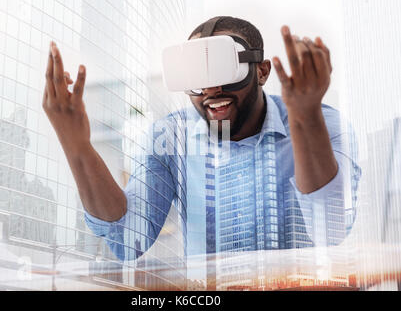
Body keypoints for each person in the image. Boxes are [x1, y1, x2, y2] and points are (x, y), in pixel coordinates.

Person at [43, 16, 361, 261]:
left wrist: (306, 119)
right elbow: (129, 241)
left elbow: (330, 231)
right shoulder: (170, 138)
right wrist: (77, 146)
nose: (210, 91)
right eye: (197, 77)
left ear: (262, 72)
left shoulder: (324, 122)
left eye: (224, 71)